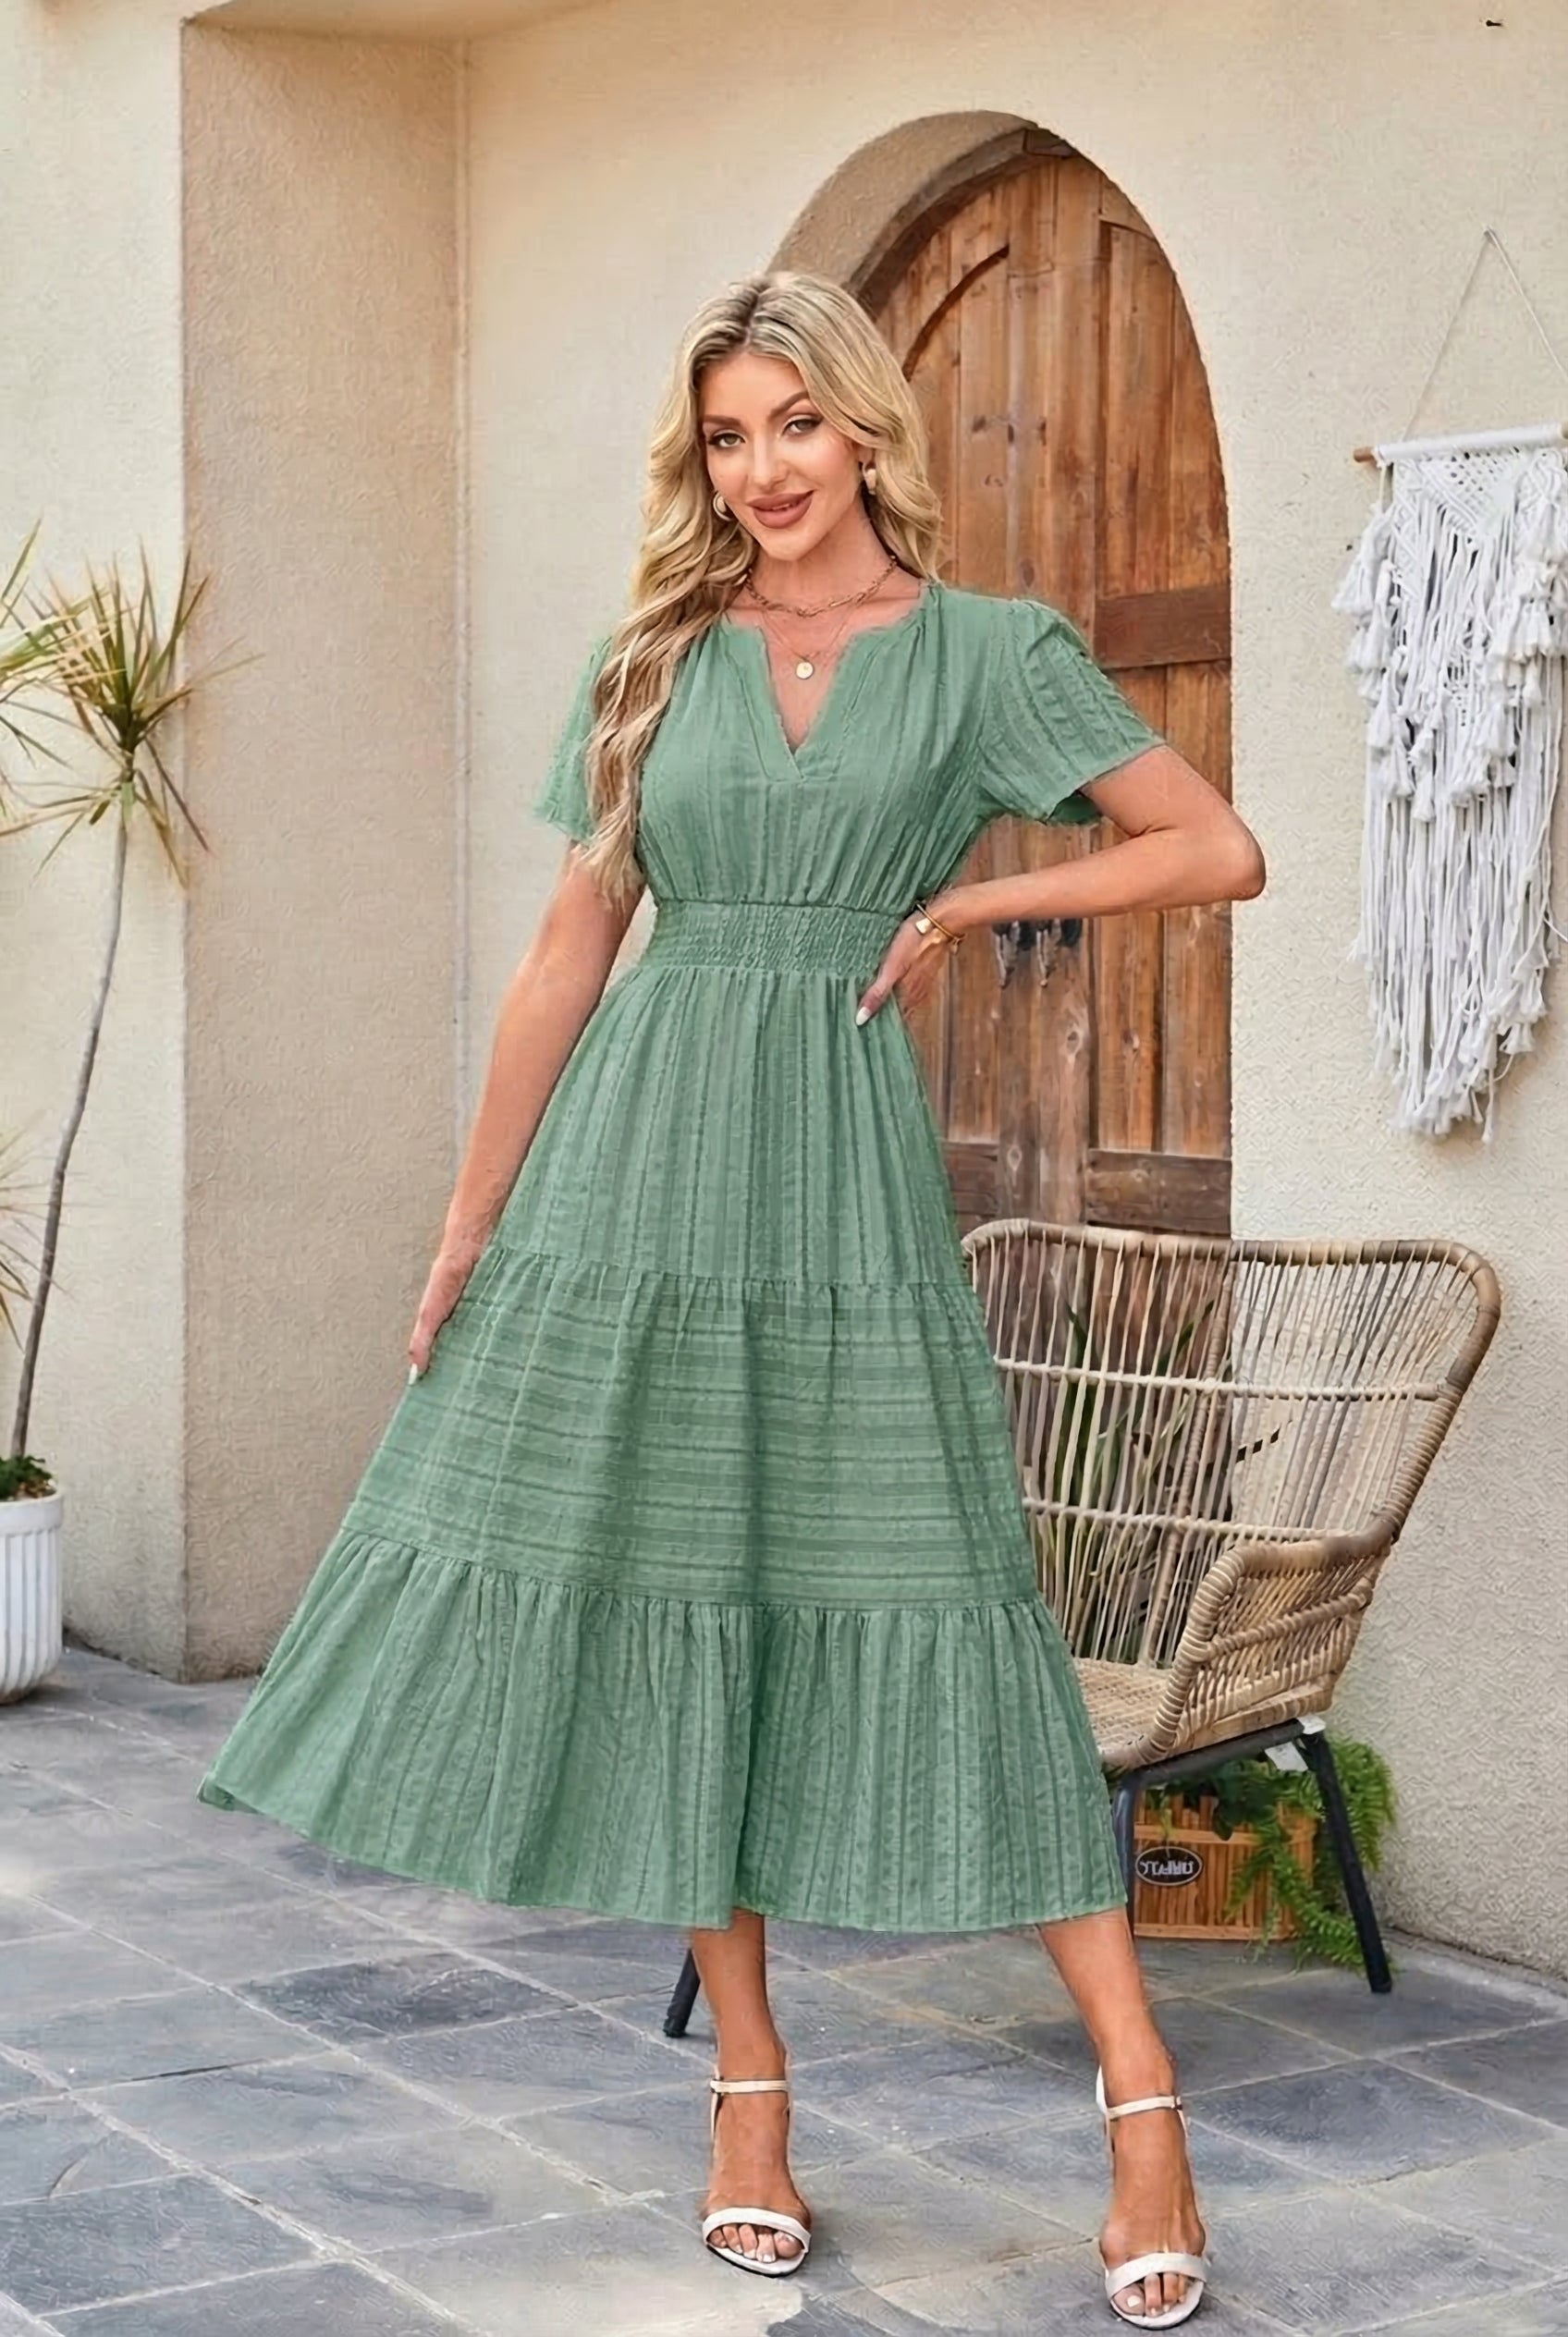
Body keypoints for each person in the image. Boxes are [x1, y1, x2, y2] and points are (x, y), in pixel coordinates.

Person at [198, 268, 1265, 2329]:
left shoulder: (979, 655)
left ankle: (1139, 2099)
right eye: (726, 437)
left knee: (952, 1593)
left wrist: (969, 890)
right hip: (635, 1169)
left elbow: (1208, 848)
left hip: (843, 1180)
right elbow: (563, 953)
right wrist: (464, 1218)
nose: (762, 468)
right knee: (690, 1594)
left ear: (863, 426)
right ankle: (750, 2099)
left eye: (792, 423)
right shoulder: (647, 660)